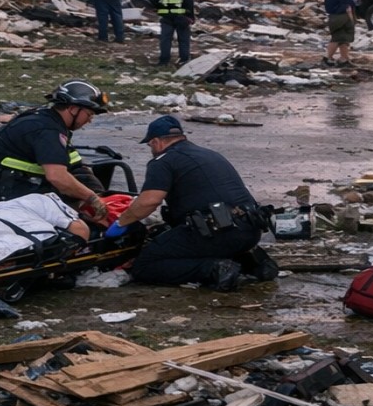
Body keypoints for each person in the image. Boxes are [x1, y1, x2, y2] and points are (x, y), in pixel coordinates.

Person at [105, 115, 276, 292]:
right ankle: (251, 263)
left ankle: (214, 269)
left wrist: (121, 222)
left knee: (146, 265)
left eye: (150, 145)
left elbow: (149, 201)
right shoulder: (209, 154)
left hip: (218, 233)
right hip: (250, 231)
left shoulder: (163, 161)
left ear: (156, 142)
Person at [0, 80, 115, 223]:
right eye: (89, 114)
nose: (89, 121)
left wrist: (97, 191)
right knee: (72, 218)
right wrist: (92, 198)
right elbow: (57, 177)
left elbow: (71, 162)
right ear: (73, 109)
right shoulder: (47, 129)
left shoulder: (46, 118)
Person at [149, 0, 197, 66]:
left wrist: (159, 7)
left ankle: (163, 61)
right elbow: (189, 1)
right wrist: (191, 17)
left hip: (166, 16)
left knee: (165, 39)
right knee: (183, 39)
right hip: (181, 16)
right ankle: (184, 60)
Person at [323, 0, 361, 64]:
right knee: (337, 38)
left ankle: (344, 59)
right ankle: (327, 58)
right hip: (340, 15)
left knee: (344, 39)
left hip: (342, 14)